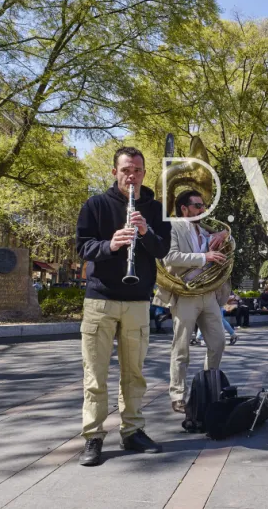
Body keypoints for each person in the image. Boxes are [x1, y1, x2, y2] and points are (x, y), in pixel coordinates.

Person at [75, 146, 172, 467]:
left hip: (137, 301)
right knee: (95, 374)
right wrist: (110, 244)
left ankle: (132, 431)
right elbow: (82, 246)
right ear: (115, 171)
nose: (132, 176)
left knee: (134, 374)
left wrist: (145, 232)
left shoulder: (156, 209)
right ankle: (93, 436)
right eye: (126, 170)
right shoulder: (96, 205)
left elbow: (163, 249)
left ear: (145, 173)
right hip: (99, 300)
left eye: (138, 171)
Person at [154, 189, 232, 415]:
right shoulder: (174, 226)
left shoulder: (204, 229)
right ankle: (178, 395)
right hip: (185, 294)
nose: (203, 210)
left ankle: (207, 388)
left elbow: (229, 241)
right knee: (181, 348)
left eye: (204, 206)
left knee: (218, 343)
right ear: (184, 208)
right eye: (198, 206)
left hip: (208, 295)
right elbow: (170, 257)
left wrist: (224, 236)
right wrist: (204, 257)